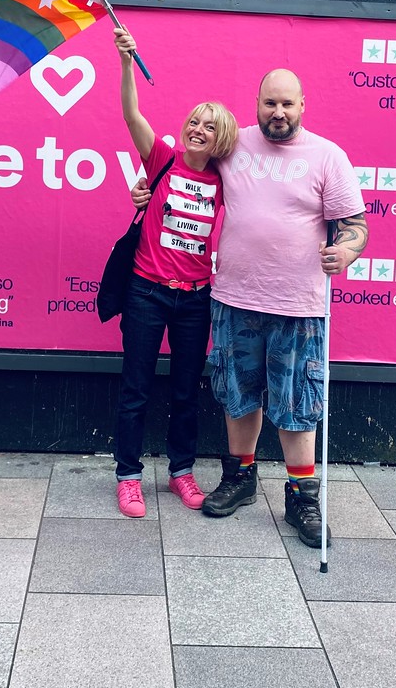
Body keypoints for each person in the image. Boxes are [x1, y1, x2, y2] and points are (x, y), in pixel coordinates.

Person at [133, 65, 366, 546]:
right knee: (237, 392)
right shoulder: (232, 143)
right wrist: (146, 188)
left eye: (287, 104)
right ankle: (240, 478)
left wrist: (344, 251)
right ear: (256, 104)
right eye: (269, 103)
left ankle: (302, 494)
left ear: (302, 106)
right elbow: (182, 171)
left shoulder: (328, 157)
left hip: (298, 305)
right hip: (234, 298)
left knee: (297, 398)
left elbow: (355, 226)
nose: (277, 112)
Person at [110, 28, 238, 518]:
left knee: (187, 391)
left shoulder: (228, 180)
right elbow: (130, 115)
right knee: (136, 388)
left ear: (221, 137)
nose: (198, 129)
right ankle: (127, 477)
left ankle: (181, 472)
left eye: (209, 126)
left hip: (197, 299)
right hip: (147, 292)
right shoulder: (162, 160)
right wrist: (127, 63)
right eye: (194, 121)